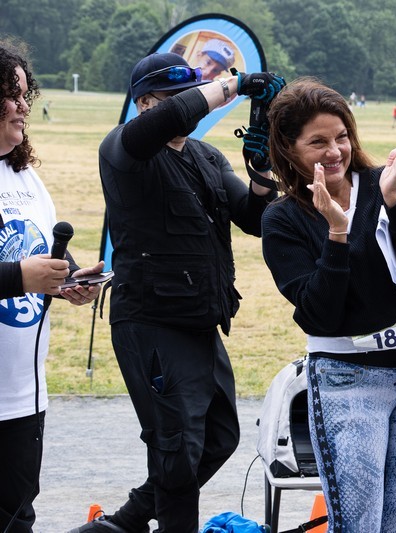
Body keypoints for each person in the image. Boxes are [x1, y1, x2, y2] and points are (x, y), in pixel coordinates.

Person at [69, 53, 282, 533]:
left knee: (219, 437)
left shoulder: (206, 157)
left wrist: (261, 172)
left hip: (201, 320)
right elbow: (177, 115)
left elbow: (254, 219)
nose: (189, 108)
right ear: (145, 103)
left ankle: (125, 522)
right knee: (177, 449)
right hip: (151, 321)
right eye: (173, 99)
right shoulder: (124, 150)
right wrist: (237, 85)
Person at [261, 77, 396, 533]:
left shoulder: (388, 184)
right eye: (318, 142)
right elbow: (319, 313)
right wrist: (337, 233)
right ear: (288, 148)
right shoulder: (283, 219)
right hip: (347, 378)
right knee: (359, 524)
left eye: (342, 136)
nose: (334, 151)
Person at [0, 40, 103, 533]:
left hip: (23, 394)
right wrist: (21, 278)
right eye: (12, 94)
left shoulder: (24, 177)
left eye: (26, 94)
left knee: (17, 518)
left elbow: (41, 249)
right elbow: (22, 269)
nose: (24, 106)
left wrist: (70, 280)